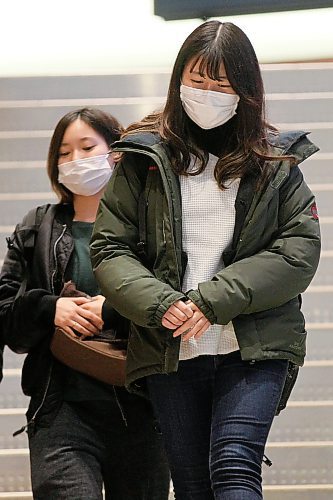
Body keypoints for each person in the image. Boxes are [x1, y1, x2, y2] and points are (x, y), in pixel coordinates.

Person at [90, 21, 321, 500]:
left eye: (222, 83)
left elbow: (298, 251)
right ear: (178, 81)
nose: (208, 92)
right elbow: (111, 249)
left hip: (252, 344)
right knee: (193, 485)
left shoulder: (275, 164)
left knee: (235, 469)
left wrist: (210, 302)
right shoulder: (143, 160)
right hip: (171, 346)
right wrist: (162, 304)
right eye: (198, 80)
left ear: (246, 91)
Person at [0, 107, 170, 500]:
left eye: (86, 146)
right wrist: (49, 308)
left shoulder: (151, 226)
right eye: (63, 152)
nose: (74, 160)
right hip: (60, 409)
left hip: (141, 407)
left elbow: (172, 305)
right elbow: (6, 319)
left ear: (116, 152)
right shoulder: (36, 228)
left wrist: (111, 310)